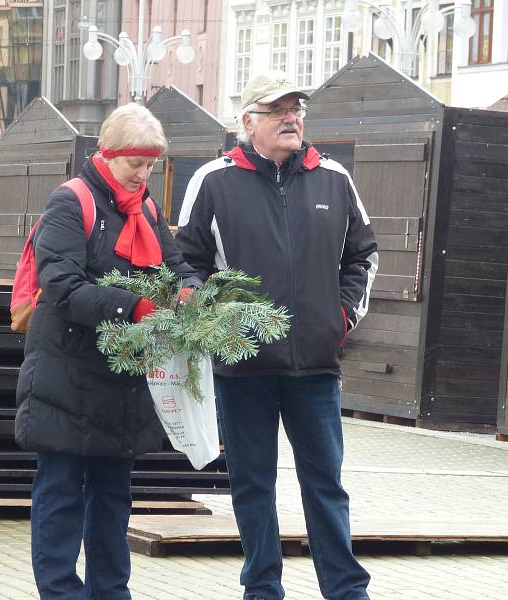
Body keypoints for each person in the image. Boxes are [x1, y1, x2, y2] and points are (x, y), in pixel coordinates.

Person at [176, 71, 378, 600]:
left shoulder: (334, 178)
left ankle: (346, 589)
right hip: (242, 368)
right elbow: (186, 264)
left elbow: (364, 255)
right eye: (278, 110)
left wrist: (341, 319)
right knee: (252, 484)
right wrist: (213, 315)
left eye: (296, 109)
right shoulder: (213, 181)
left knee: (326, 486)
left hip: (315, 366)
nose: (292, 118)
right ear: (248, 122)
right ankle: (262, 587)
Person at [14, 102, 201, 600]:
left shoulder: (148, 210)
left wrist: (189, 292)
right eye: (134, 164)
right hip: (66, 374)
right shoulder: (70, 202)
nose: (142, 175)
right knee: (60, 495)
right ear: (107, 153)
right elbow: (62, 287)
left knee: (114, 498)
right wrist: (135, 307)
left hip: (124, 378)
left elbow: (176, 265)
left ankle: (112, 592)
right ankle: (59, 593)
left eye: (150, 165)